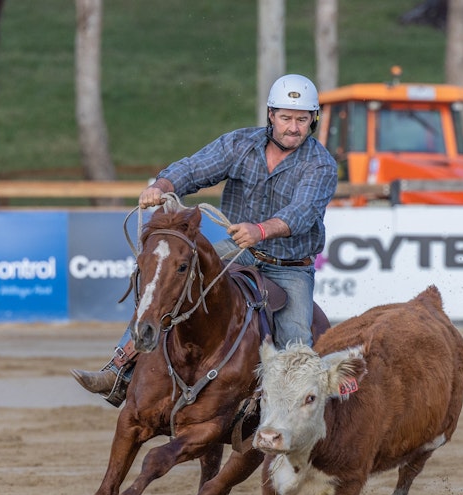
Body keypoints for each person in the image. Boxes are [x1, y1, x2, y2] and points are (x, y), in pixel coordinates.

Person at [72, 73, 338, 406]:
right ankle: (120, 372)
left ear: (313, 120)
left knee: (297, 339)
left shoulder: (321, 165)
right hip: (239, 251)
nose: (293, 127)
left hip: (289, 267)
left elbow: (303, 211)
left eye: (302, 119)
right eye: (286, 118)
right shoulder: (241, 144)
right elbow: (197, 168)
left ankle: (289, 414)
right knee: (168, 281)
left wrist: (261, 229)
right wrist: (163, 185)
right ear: (271, 115)